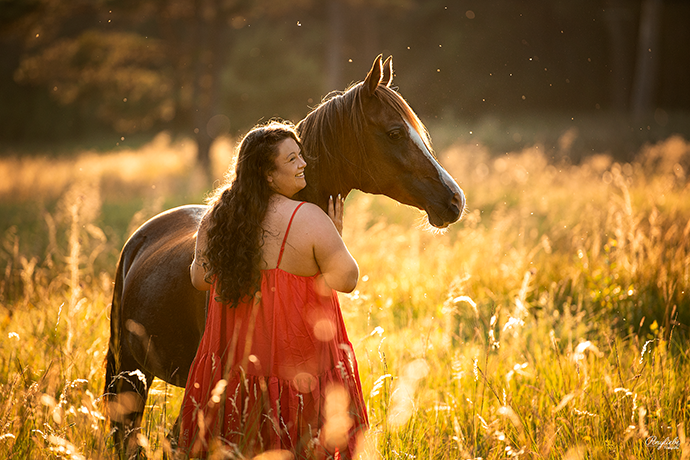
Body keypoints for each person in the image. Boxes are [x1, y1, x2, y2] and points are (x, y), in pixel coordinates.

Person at [177, 121, 368, 459]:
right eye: (292, 159)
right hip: (297, 366)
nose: (303, 164)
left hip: (237, 367)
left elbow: (200, 279)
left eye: (300, 156)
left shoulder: (218, 217)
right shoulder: (309, 217)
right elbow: (347, 280)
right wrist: (334, 235)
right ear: (267, 174)